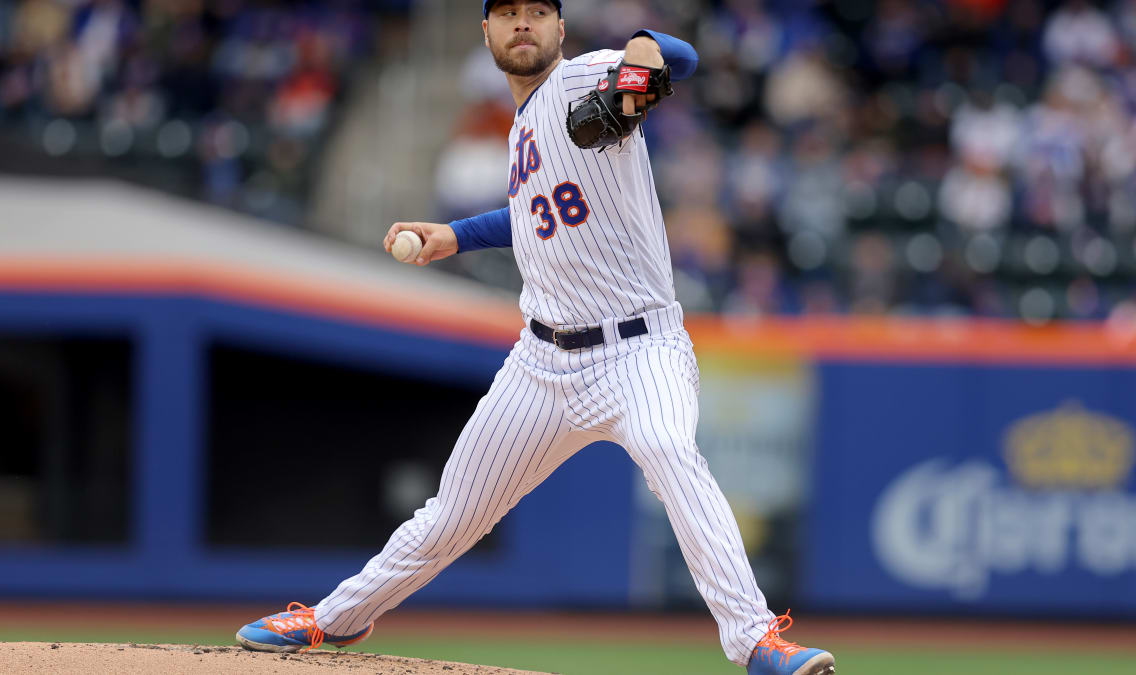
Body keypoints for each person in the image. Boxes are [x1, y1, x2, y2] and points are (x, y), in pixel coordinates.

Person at [233, 2, 835, 674]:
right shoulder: (522, 125)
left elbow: (677, 58)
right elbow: (534, 211)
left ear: (560, 29)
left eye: (539, 11)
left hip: (640, 348)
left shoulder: (585, 79)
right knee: (452, 514)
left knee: (670, 450)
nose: (524, 22)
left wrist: (639, 57)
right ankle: (334, 618)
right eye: (508, 12)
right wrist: (456, 235)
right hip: (541, 363)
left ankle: (757, 640)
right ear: (486, 32)